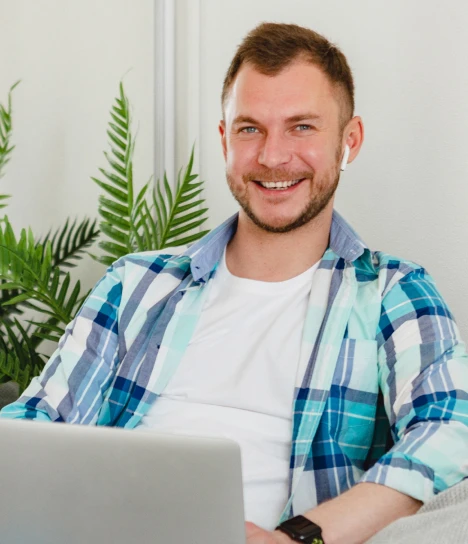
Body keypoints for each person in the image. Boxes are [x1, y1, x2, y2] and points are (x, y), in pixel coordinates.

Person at [2, 22, 468, 544]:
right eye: (250, 129)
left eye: (302, 127)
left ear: (349, 141)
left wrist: (297, 538)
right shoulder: (137, 283)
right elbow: (33, 426)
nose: (272, 157)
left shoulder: (392, 292)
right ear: (225, 139)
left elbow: (449, 431)